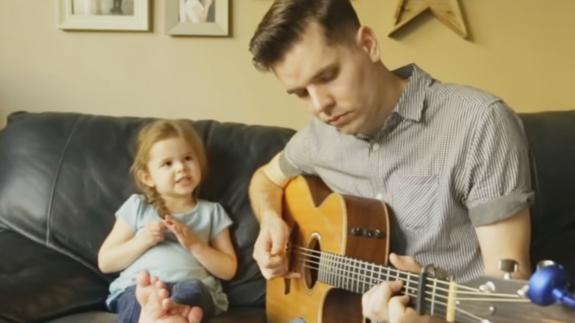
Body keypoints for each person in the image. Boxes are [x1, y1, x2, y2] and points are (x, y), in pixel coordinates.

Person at [247, 0, 534, 322]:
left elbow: (508, 297)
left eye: (328, 75)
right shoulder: (317, 138)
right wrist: (271, 220)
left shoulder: (479, 122)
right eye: (300, 93)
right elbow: (265, 180)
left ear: (368, 44)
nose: (320, 106)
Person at [98, 120, 237, 323]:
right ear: (147, 177)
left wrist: (195, 245)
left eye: (188, 158)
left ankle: (166, 313)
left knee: (193, 291)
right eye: (168, 163)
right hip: (140, 288)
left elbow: (228, 269)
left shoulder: (212, 212)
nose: (181, 167)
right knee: (138, 296)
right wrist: (143, 240)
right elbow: (106, 262)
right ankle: (160, 314)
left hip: (191, 285)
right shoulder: (138, 206)